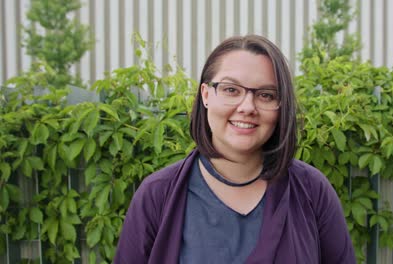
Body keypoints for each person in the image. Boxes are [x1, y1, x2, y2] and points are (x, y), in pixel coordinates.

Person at [114, 35, 356, 263]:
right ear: (206, 95)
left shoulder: (312, 191)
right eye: (231, 90)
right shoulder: (156, 195)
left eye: (266, 95)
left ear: (281, 106)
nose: (247, 106)